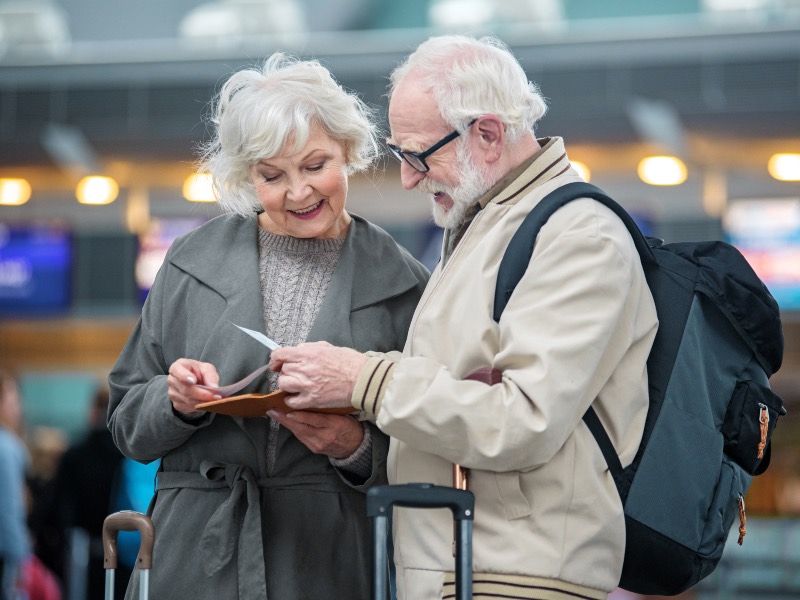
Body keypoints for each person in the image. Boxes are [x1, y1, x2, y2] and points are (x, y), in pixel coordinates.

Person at [269, 35, 659, 600]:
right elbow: (460, 409)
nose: (408, 177)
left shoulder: (579, 235)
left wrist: (363, 379)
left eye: (419, 154)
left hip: (514, 576)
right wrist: (354, 439)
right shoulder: (491, 225)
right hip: (469, 566)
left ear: (489, 133)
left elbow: (522, 420)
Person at [107, 53, 429, 600]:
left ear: (349, 150)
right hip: (197, 556)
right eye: (272, 176)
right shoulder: (190, 261)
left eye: (315, 164)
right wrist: (175, 400)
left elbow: (430, 446)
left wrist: (355, 447)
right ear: (245, 176)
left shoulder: (403, 283)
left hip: (326, 556)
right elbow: (125, 422)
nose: (299, 192)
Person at [31, 387, 128, 600]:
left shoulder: (76, 454)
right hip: (128, 550)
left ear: (92, 411)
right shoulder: (131, 456)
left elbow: (52, 509)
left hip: (84, 553)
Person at [0, 369, 30, 600]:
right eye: (14, 400)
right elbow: (9, 510)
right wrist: (22, 554)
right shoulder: (7, 447)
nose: (18, 409)